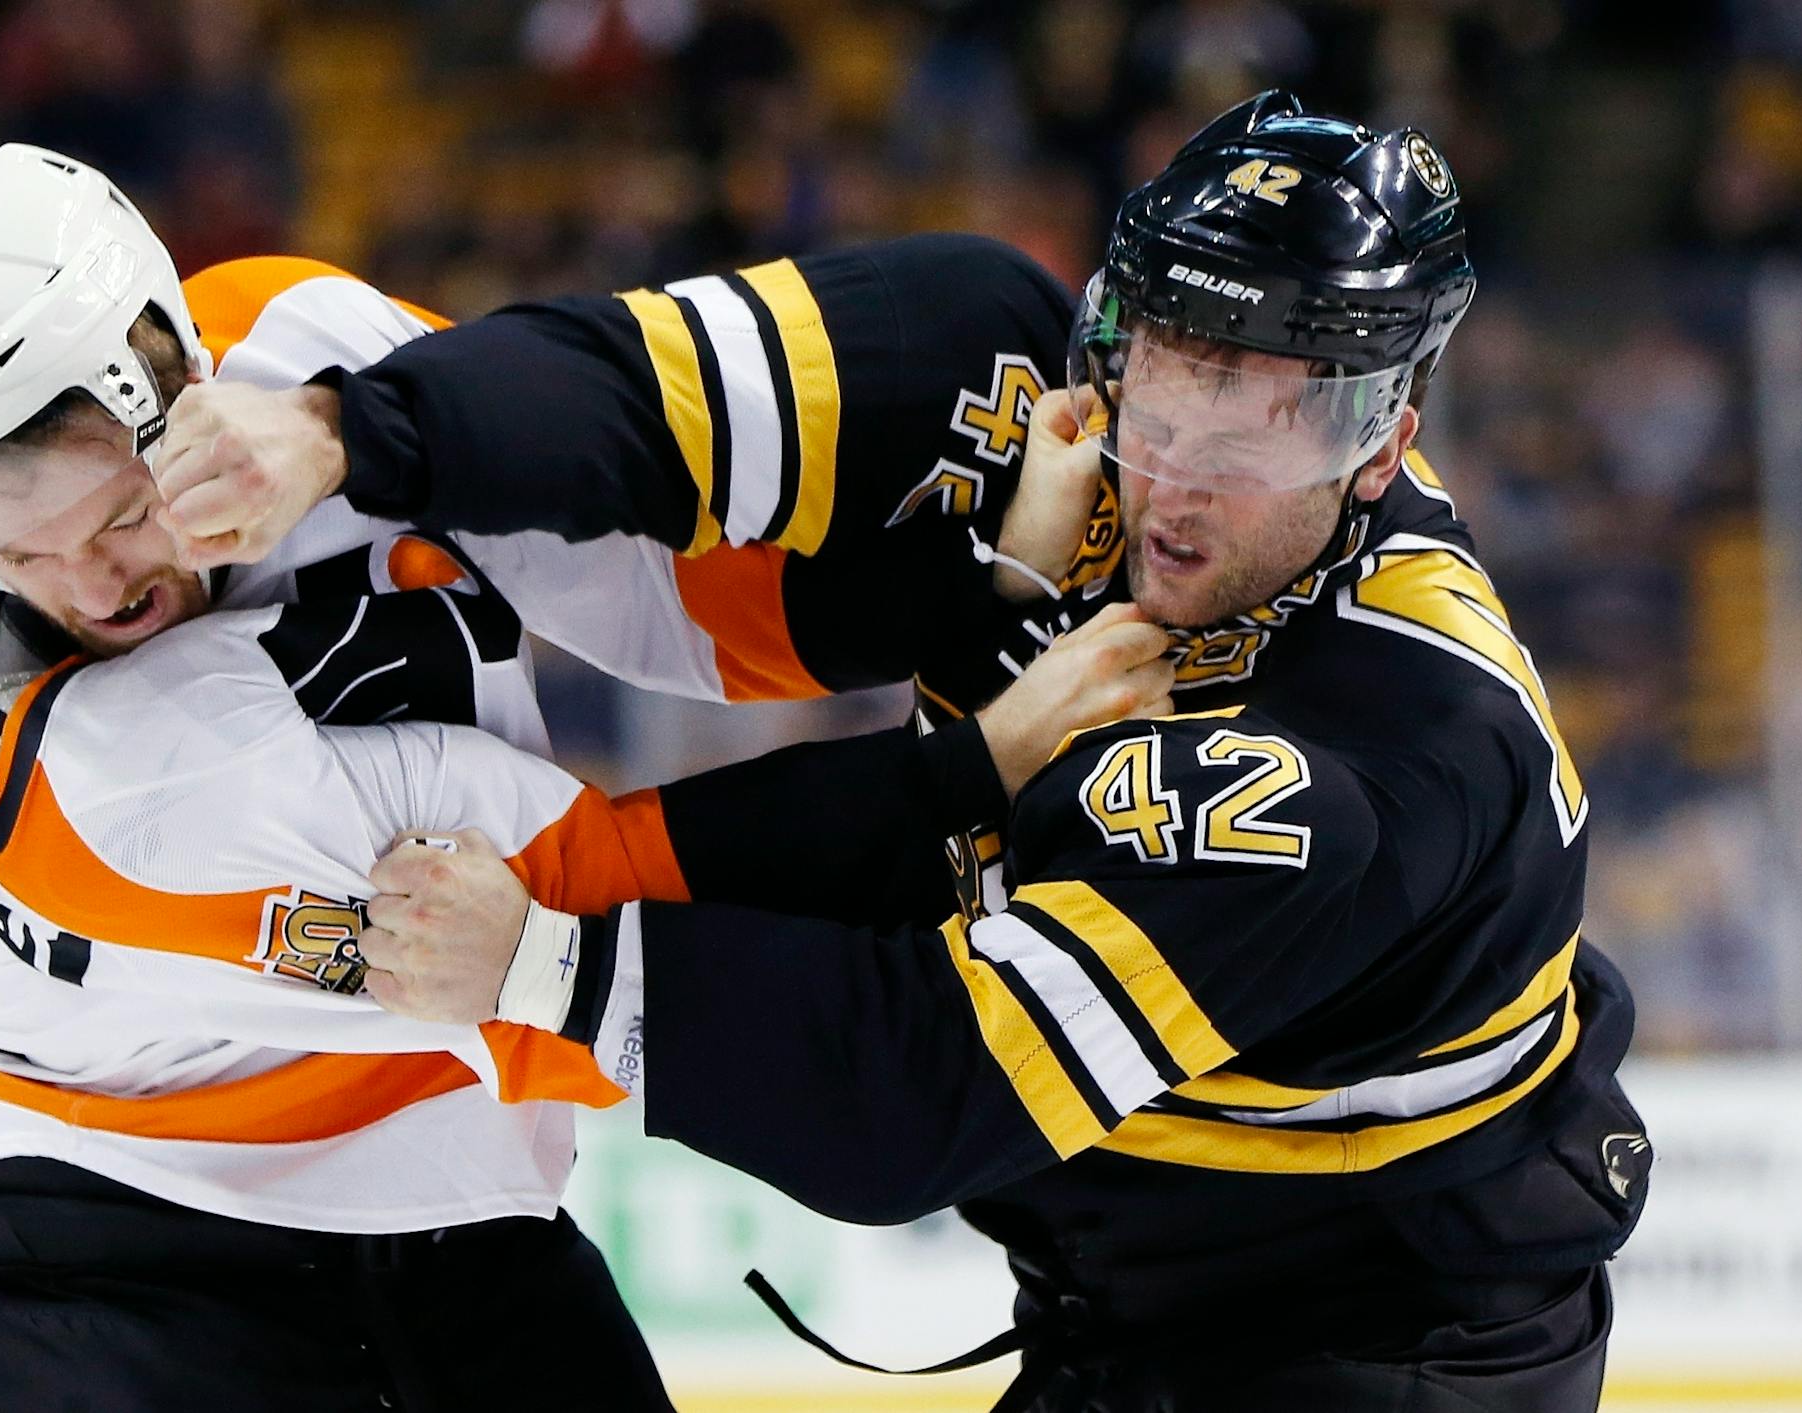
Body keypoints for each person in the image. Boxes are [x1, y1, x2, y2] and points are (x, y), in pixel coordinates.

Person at [351, 93, 1651, 1412]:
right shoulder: (1119, 504)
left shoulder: (1375, 762)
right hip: (1147, 1319)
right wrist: (1013, 600)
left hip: (1375, 1359)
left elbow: (918, 1088)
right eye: (1164, 388)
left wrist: (552, 963)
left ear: (1383, 444)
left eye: (1268, 424)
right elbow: (952, 829)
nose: (1182, 482)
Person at [0, 144, 1170, 1411]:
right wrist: (982, 748)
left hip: (472, 1243)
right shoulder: (110, 773)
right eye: (19, 559)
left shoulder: (290, 335)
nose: (92, 589)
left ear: (173, 367)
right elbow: (593, 888)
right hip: (139, 1303)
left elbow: (643, 575)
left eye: (119, 517)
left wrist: (965, 580)